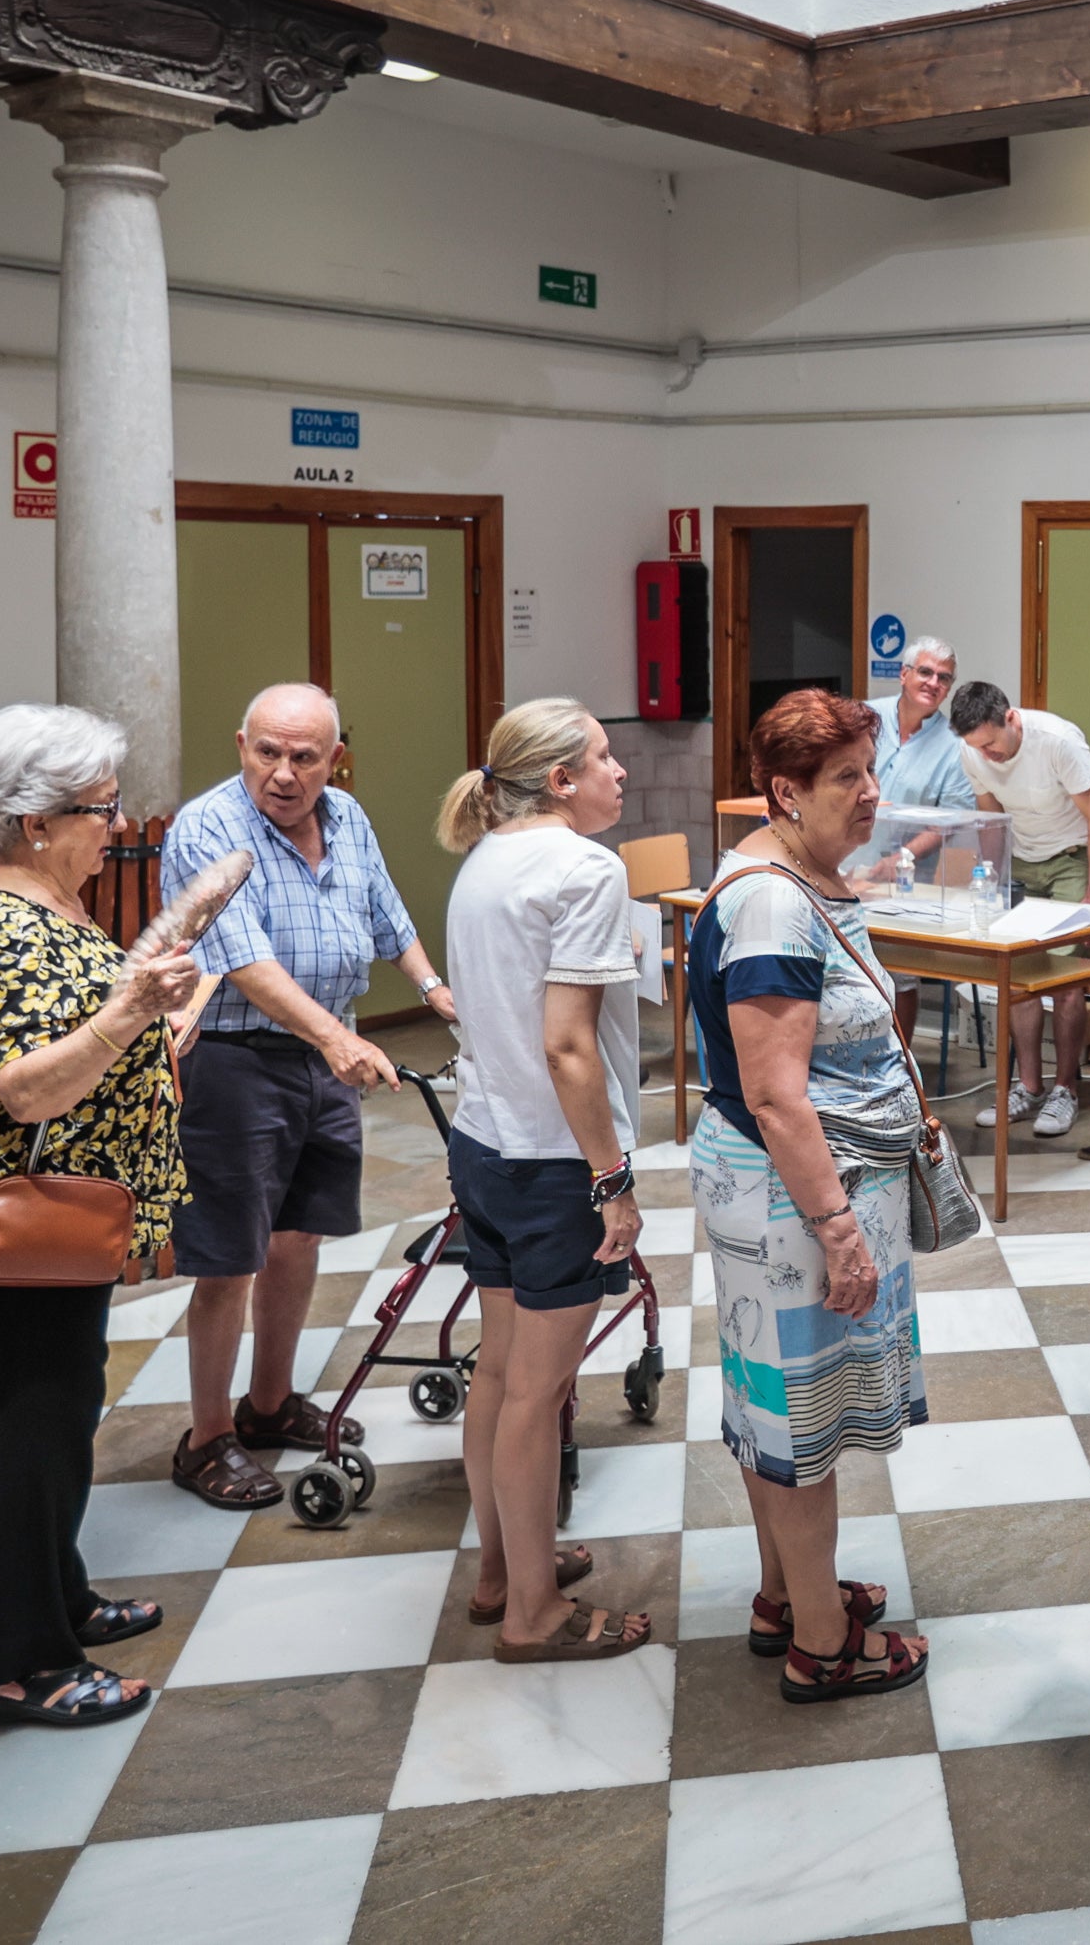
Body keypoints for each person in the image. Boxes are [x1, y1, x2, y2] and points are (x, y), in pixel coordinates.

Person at [0, 704, 199, 1730]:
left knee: (62, 1411)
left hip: (71, 1219)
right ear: (34, 819)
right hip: (28, 1226)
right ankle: (22, 1661)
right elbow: (27, 1090)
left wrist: (156, 1018)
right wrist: (134, 1010)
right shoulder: (6, 923)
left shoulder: (47, 901)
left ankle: (63, 1593)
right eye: (99, 807)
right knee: (33, 1433)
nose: (117, 823)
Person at [162, 684, 457, 1511]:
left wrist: (434, 988)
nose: (284, 773)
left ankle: (268, 1405)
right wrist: (335, 1037)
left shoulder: (348, 817)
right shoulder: (210, 830)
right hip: (234, 1059)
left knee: (299, 1239)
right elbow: (243, 958)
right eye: (268, 752)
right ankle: (207, 1439)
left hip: (322, 1059)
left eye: (305, 757)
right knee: (229, 1257)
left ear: (335, 757)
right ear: (241, 744)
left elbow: (387, 913)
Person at [687, 689, 928, 1700]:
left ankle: (789, 1590)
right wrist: (839, 1232)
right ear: (782, 792)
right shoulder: (773, 902)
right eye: (844, 780)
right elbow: (776, 1096)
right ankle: (824, 1641)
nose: (869, 794)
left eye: (871, 772)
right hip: (792, 1197)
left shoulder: (794, 876)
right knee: (802, 1425)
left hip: (785, 1189)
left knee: (774, 1407)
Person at [434, 699, 653, 1662]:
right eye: (604, 759)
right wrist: (612, 1180)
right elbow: (570, 1050)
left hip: (484, 1147)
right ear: (559, 780)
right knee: (538, 1394)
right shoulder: (582, 867)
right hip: (552, 1160)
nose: (620, 773)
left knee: (498, 1373)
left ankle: (502, 1572)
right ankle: (533, 1618)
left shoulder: (485, 859)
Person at [948, 679, 1090, 1139]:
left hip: (1076, 856)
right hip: (1024, 857)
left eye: (992, 743)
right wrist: (992, 884)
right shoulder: (973, 752)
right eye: (978, 748)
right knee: (1017, 977)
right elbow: (991, 816)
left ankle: (1065, 1088)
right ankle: (1028, 1087)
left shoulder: (1058, 742)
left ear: (1012, 719)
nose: (988, 755)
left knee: (1064, 980)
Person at [869, 637, 976, 812]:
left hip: (909, 839)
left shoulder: (957, 747)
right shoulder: (866, 717)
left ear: (949, 689)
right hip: (849, 838)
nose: (934, 683)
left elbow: (951, 819)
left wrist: (909, 842)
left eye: (944, 678)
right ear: (904, 675)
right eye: (925, 672)